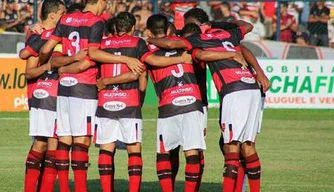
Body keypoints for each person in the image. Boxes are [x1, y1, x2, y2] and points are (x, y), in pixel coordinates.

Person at [147, 8, 270, 192]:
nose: (183, 28)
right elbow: (246, 30)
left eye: (189, 25)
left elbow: (235, 50)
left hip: (219, 95)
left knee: (226, 147)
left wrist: (148, 40)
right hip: (241, 90)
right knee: (240, 145)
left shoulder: (196, 38)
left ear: (200, 26)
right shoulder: (226, 34)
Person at [38, 0, 145, 191]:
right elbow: (92, 56)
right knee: (81, 141)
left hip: (63, 88)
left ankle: (63, 188)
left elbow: (45, 50)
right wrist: (125, 58)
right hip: (84, 88)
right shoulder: (96, 22)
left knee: (64, 140)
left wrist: (58, 67)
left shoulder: (65, 19)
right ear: (101, 2)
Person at [94, 12, 192, 192]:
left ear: (116, 27)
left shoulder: (103, 44)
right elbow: (145, 71)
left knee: (106, 149)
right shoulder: (137, 43)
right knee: (134, 150)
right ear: (132, 28)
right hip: (129, 101)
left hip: (105, 102)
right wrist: (140, 97)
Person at [19, 0, 66, 192]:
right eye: (63, 12)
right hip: (45, 96)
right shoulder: (38, 35)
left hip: (53, 96)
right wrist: (48, 66)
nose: (66, 16)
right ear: (53, 15)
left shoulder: (51, 34)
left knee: (45, 147)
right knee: (45, 145)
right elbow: (28, 70)